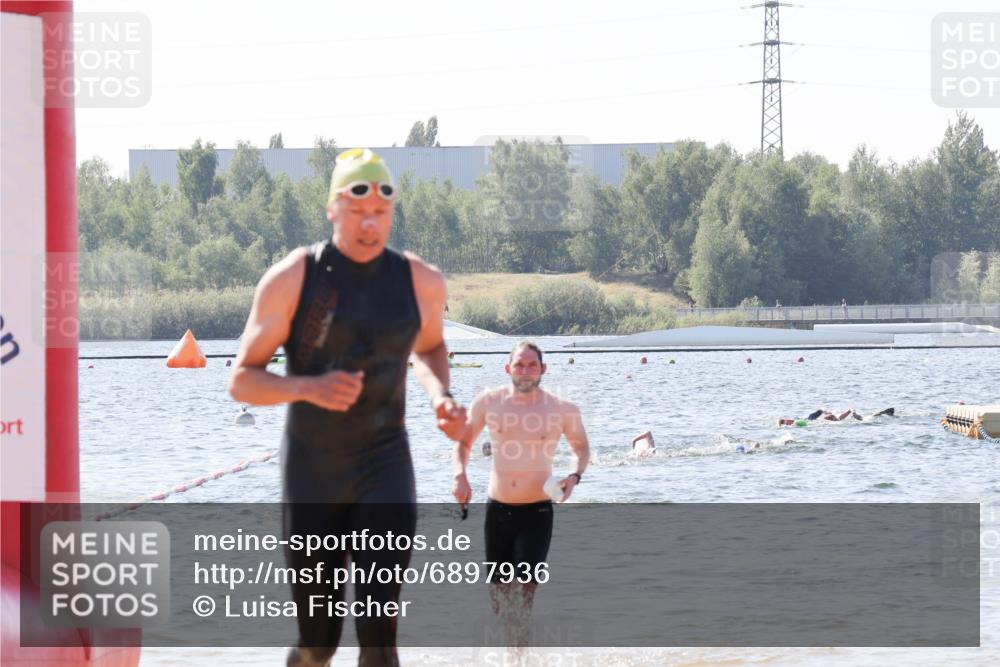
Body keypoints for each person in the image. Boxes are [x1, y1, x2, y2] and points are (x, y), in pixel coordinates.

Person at [229, 148, 467, 667]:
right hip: (313, 470)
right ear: (333, 208)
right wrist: (306, 388)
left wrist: (440, 397)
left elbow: (429, 348)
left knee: (379, 637)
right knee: (320, 642)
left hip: (386, 462)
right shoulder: (294, 277)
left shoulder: (420, 280)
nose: (370, 223)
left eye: (381, 212)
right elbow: (242, 382)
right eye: (358, 211)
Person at [452, 341, 590, 634]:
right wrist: (460, 475)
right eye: (519, 365)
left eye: (532, 365)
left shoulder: (562, 409)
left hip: (537, 512)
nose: (525, 371)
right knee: (499, 597)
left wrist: (574, 476)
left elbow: (581, 449)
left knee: (525, 594)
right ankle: (509, 650)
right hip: (498, 511)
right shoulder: (489, 402)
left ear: (543, 369)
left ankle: (519, 654)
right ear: (508, 368)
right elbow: (463, 443)